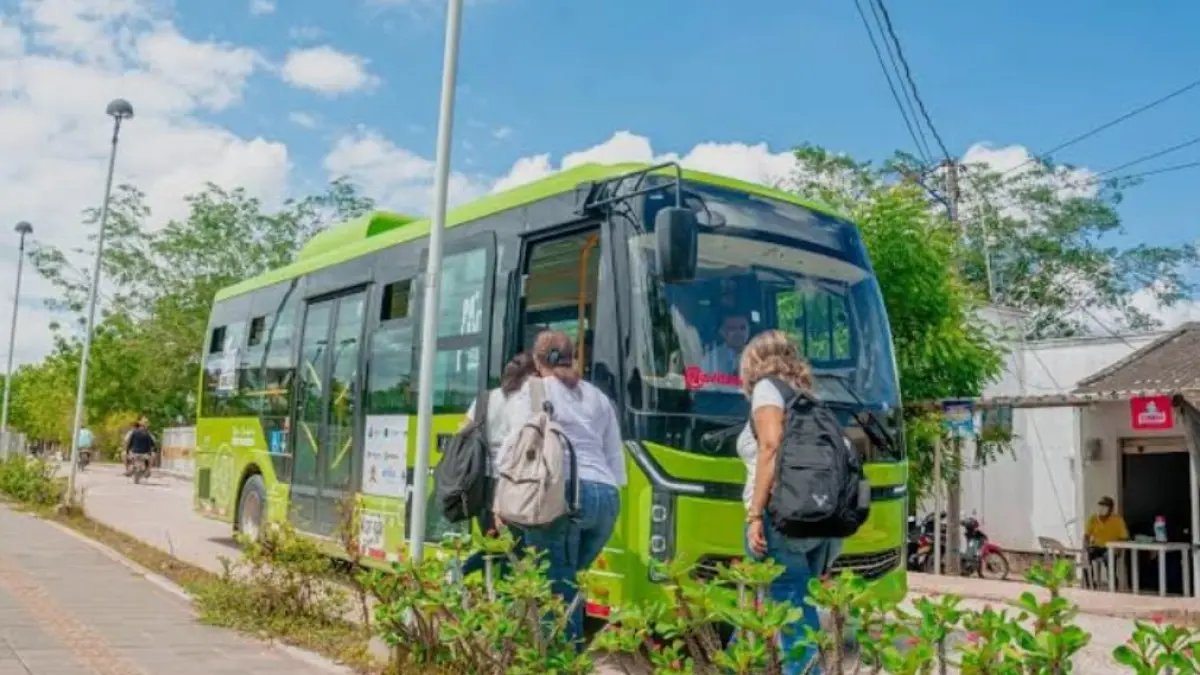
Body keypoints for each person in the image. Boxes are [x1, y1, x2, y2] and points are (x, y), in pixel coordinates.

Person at [499, 330, 625, 646]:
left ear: (537, 359)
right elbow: (614, 458)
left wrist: (501, 496)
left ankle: (558, 659)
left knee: (554, 589)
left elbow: (514, 448)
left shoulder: (533, 391)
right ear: (573, 357)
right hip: (607, 498)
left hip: (564, 494)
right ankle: (554, 648)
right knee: (566, 579)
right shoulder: (598, 397)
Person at [739, 330, 842, 674]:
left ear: (753, 361)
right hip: (813, 514)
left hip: (778, 516)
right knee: (773, 606)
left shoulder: (767, 389)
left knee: (790, 611)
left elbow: (770, 446)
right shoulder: (808, 396)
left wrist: (755, 514)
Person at [460, 352, 537, 578]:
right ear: (530, 375)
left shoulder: (486, 399)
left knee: (492, 540)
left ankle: (484, 586)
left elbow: (462, 431)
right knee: (513, 545)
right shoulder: (525, 401)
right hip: (511, 481)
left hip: (482, 481)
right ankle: (465, 570)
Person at [1085, 496, 1129, 585]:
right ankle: (1090, 582)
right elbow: (1086, 535)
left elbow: (1124, 537)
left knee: (1108, 556)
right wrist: (1086, 546)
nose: (1102, 508)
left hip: (1111, 548)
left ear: (1111, 509)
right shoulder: (1093, 518)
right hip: (1096, 546)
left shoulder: (1117, 520)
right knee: (1086, 556)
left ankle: (1113, 582)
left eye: (1105, 506)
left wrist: (1118, 548)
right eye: (1100, 505)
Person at [702, 312, 751, 376]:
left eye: (742, 328)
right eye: (732, 328)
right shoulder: (711, 359)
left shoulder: (757, 355)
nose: (738, 332)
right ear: (722, 331)